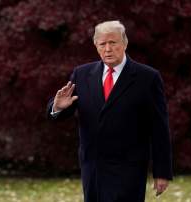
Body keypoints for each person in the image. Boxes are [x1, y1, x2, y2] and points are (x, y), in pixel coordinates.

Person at [47, 20, 172, 202]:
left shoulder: (148, 78)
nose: (107, 49)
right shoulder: (81, 74)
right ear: (96, 46)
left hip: (129, 168)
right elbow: (61, 110)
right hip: (93, 167)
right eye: (102, 44)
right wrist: (57, 107)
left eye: (113, 43)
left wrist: (162, 172)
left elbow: (159, 128)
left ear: (124, 43)